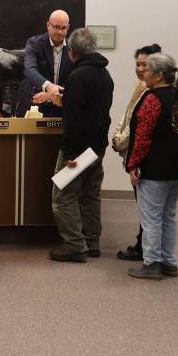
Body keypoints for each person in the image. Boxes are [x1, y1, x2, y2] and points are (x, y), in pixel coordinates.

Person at [124, 53, 178, 280]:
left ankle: (152, 263)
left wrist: (133, 164)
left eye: (148, 70)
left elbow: (143, 136)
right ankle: (169, 262)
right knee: (168, 215)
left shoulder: (152, 98)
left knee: (151, 217)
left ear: (159, 74)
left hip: (156, 168)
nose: (144, 73)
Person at [49, 28, 114, 262]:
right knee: (90, 195)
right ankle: (92, 242)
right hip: (97, 147)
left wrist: (68, 152)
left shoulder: (77, 77)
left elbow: (74, 120)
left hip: (78, 151)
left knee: (62, 196)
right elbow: (96, 112)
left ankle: (75, 246)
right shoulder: (105, 75)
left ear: (72, 52)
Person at [113, 44, 162, 261]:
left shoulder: (151, 92)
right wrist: (118, 137)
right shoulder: (140, 86)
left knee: (148, 209)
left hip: (145, 158)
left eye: (146, 65)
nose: (141, 69)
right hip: (133, 153)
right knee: (145, 207)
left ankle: (146, 250)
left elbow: (138, 127)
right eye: (138, 64)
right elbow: (127, 117)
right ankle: (144, 245)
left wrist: (121, 143)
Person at [18, 9, 74, 117]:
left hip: (62, 107)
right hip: (36, 105)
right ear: (48, 25)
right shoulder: (34, 43)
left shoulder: (73, 48)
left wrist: (53, 94)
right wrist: (48, 86)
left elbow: (74, 78)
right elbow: (29, 69)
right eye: (56, 27)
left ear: (68, 27)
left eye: (63, 28)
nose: (60, 32)